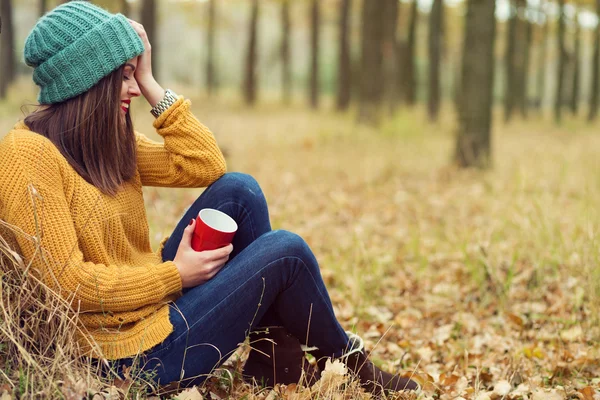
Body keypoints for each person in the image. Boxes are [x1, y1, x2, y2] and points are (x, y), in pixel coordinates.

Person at [0, 1, 420, 396]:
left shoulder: (105, 141)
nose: (131, 88)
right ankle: (354, 366)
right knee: (285, 252)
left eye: (133, 75)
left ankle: (273, 358)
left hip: (149, 313)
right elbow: (65, 286)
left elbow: (204, 164)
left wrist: (150, 83)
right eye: (123, 76)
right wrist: (175, 276)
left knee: (240, 189)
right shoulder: (27, 155)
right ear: (89, 78)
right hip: (124, 359)